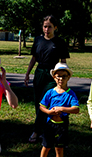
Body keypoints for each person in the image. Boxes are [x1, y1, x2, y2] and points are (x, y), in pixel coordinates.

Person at [24, 15, 69, 143]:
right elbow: (33, 58)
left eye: (49, 27)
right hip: (39, 73)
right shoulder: (38, 40)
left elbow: (63, 61)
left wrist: (63, 77)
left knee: (45, 102)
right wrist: (27, 74)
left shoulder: (59, 42)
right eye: (45, 26)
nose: (47, 29)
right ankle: (44, 129)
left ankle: (36, 131)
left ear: (55, 27)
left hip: (52, 74)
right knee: (38, 103)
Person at [34, 62, 79, 157]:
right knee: (46, 146)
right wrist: (49, 112)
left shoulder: (70, 94)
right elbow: (42, 106)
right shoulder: (50, 92)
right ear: (54, 77)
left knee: (59, 148)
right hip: (49, 124)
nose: (61, 79)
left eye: (64, 76)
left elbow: (76, 109)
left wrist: (62, 109)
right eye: (58, 76)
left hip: (62, 125)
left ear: (68, 77)